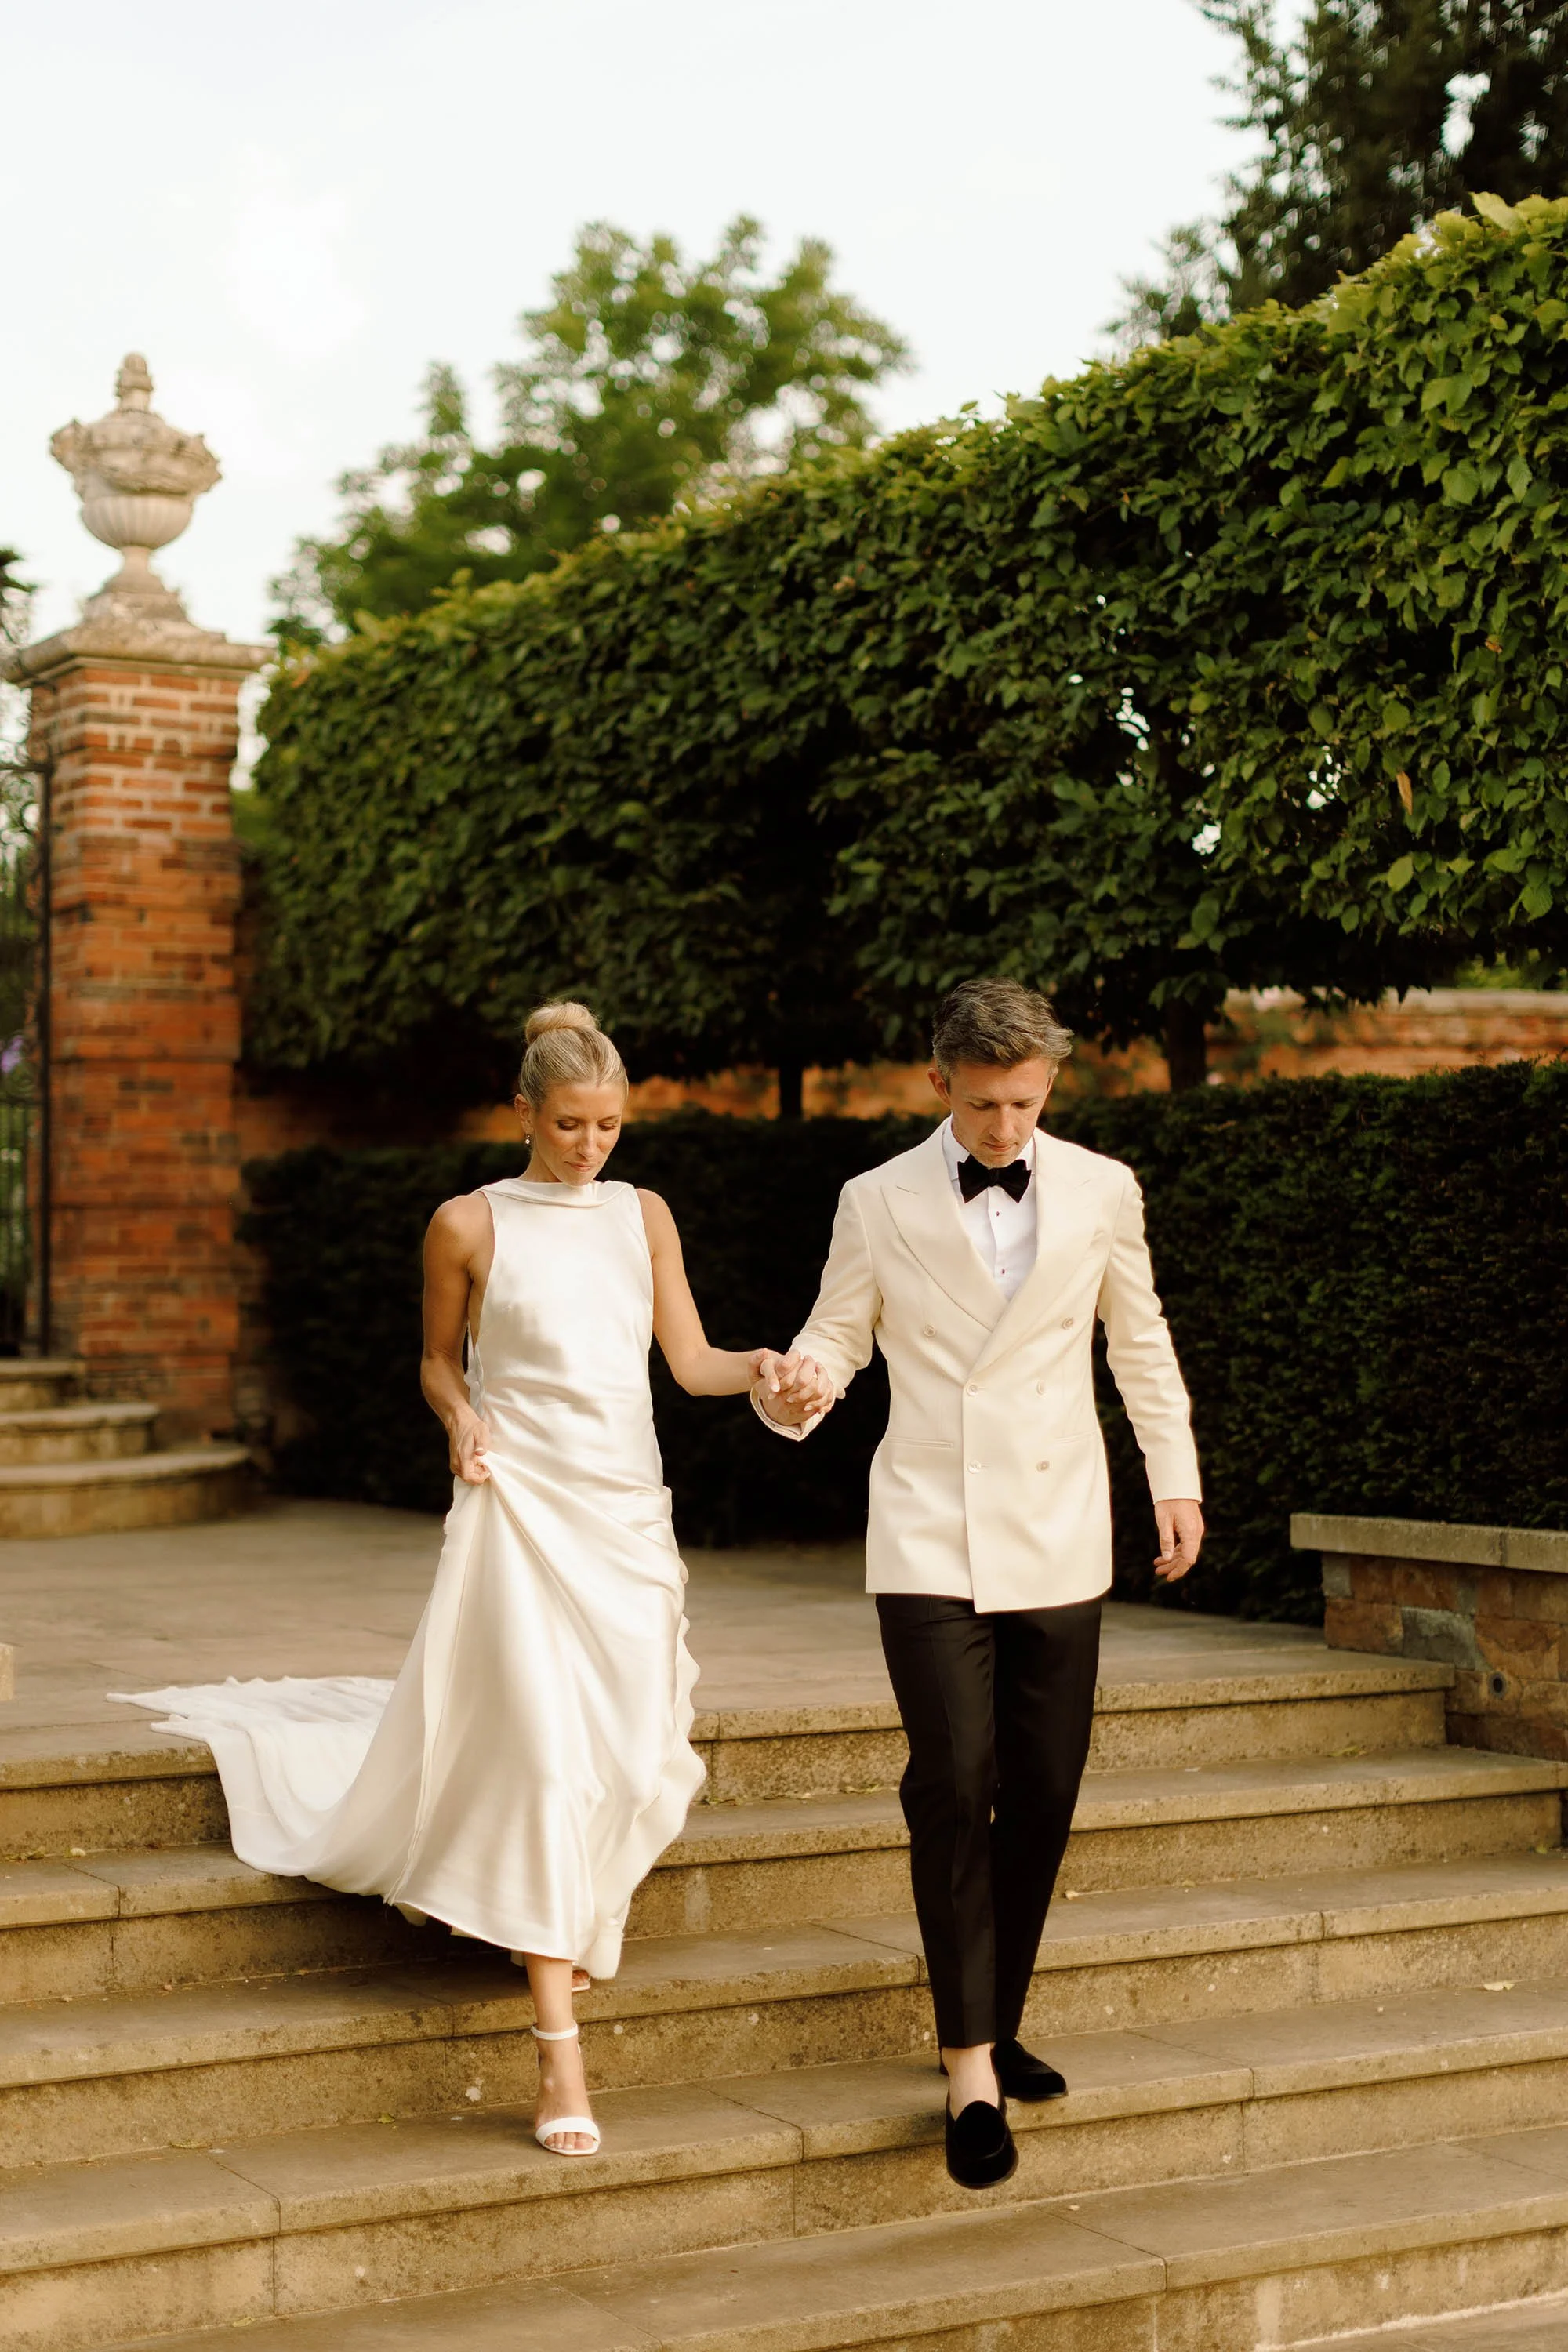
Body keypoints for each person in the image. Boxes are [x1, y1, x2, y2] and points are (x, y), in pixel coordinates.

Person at [114, 1001, 822, 2160]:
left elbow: (691, 1363)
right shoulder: (466, 1224)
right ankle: (558, 2055)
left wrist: (769, 1372)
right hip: (519, 1509)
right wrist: (461, 1420)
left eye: (610, 1125)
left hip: (626, 1523)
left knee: (633, 1757)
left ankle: (547, 1912)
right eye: (571, 1124)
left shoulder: (645, 1217)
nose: (593, 1145)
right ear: (524, 1113)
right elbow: (438, 1366)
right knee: (546, 1761)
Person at [754, 976, 1203, 2190]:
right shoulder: (876, 1199)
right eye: (986, 1103)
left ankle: (996, 2020)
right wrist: (800, 1383)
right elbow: (838, 1334)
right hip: (930, 1528)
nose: (1007, 1127)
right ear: (939, 1079)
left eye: (1027, 1101)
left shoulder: (1105, 1188)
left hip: (1060, 1525)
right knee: (955, 1781)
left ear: (1048, 1084)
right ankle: (968, 2073)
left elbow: (1139, 1340)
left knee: (1045, 1789)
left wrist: (1176, 1476)